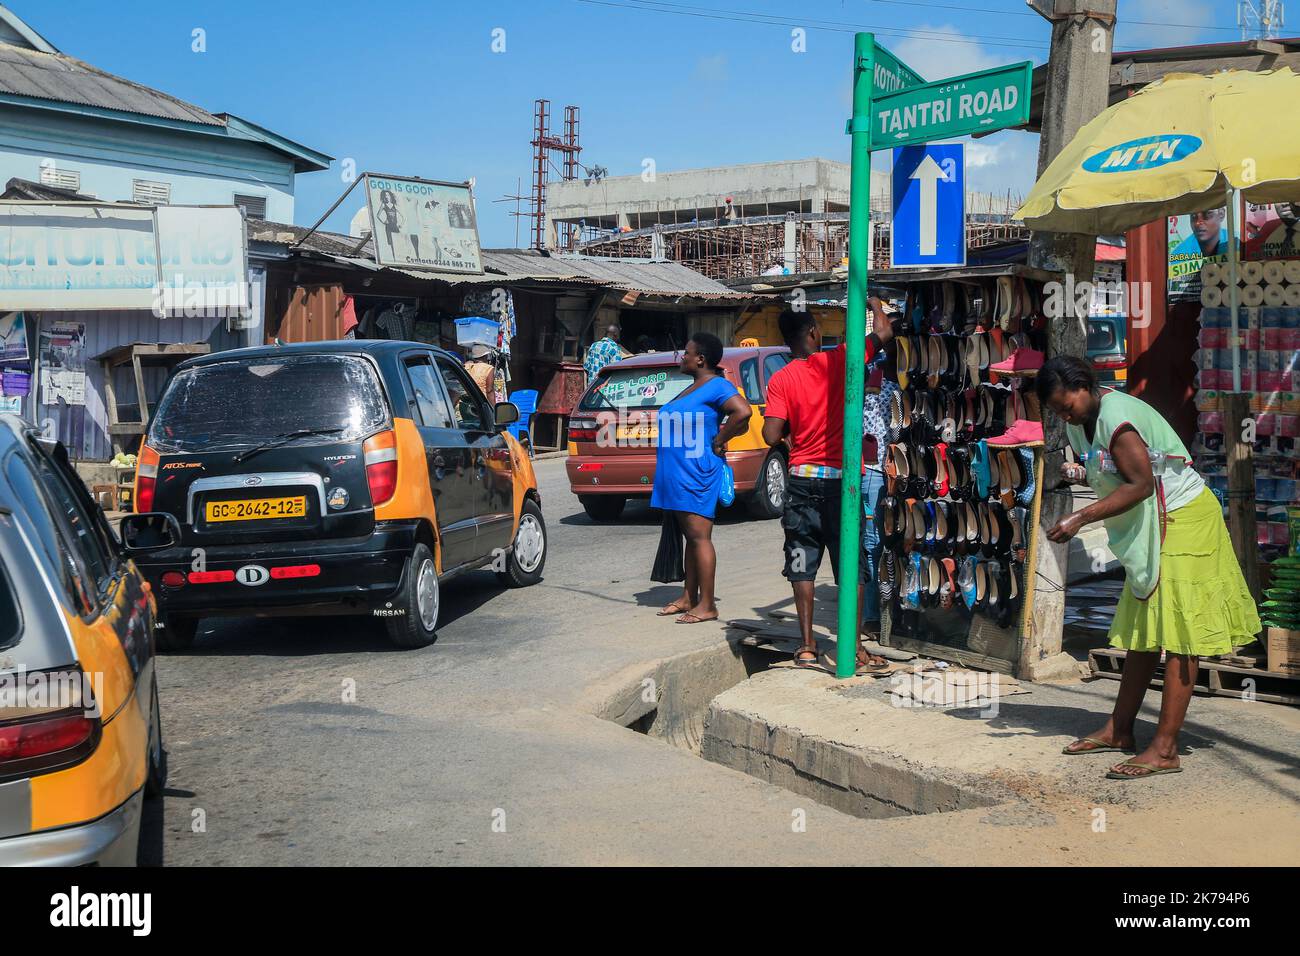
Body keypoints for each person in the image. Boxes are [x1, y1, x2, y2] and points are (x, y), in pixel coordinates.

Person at [1039, 355, 1259, 780]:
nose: (1064, 415)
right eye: (1057, 410)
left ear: (1086, 386)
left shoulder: (1117, 418)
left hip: (1184, 518)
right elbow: (1113, 476)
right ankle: (1120, 730)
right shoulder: (1077, 423)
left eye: (1068, 405)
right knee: (1144, 627)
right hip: (1152, 525)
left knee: (1180, 632)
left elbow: (1140, 485)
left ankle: (1165, 749)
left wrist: (1080, 518)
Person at [762, 301, 894, 673]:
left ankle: (806, 646)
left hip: (802, 482)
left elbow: (771, 432)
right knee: (851, 566)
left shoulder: (781, 379)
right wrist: (874, 305)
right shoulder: (841, 359)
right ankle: (852, 649)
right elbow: (884, 331)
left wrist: (792, 436)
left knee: (801, 561)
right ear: (812, 333)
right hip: (842, 485)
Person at [651, 333, 753, 625]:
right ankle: (688, 597)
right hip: (676, 474)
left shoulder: (718, 385)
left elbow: (742, 412)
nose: (681, 357)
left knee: (699, 537)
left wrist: (720, 440)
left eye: (687, 353)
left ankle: (708, 604)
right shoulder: (692, 387)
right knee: (691, 538)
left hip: (696, 473)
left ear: (701, 359)